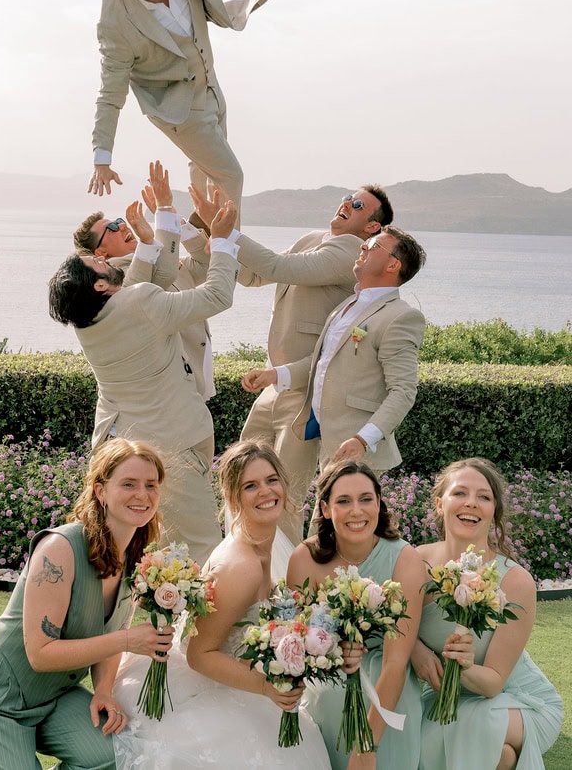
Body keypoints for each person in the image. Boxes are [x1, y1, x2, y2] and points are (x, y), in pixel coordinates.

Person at [191, 183, 394, 543]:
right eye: (348, 196)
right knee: (241, 474)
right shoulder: (311, 239)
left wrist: (227, 231)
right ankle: (237, 561)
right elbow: (255, 275)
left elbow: (275, 265)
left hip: (304, 391)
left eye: (359, 204)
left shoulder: (350, 250)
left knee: (284, 495)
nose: (347, 203)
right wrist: (204, 234)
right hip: (275, 386)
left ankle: (283, 584)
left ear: (371, 228)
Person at [112, 440, 332, 769]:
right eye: (250, 486)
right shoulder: (240, 565)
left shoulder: (263, 544)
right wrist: (266, 686)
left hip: (233, 676)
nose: (265, 491)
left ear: (284, 484)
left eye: (271, 480)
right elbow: (198, 654)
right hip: (207, 687)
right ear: (232, 497)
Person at [48, 199, 239, 567]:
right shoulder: (139, 303)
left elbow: (147, 280)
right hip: (171, 451)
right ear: (102, 284)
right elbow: (218, 295)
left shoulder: (88, 321)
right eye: (100, 263)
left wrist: (156, 230)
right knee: (205, 554)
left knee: (137, 558)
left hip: (117, 453)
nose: (106, 262)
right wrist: (224, 242)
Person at [0, 438, 174, 770]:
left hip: (56, 699)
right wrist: (128, 642)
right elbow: (40, 653)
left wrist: (104, 691)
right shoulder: (60, 548)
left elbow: (114, 627)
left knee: (116, 755)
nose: (143, 494)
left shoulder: (137, 557)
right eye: (129, 484)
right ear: (100, 491)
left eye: (151, 485)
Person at [89, 0, 268, 220]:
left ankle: (203, 248)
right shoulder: (115, 24)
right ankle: (230, 253)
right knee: (230, 175)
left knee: (205, 170)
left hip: (211, 84)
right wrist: (102, 158)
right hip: (178, 107)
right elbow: (110, 94)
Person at [243, 226, 426, 485]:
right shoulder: (347, 306)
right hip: (331, 445)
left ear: (393, 265)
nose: (362, 246)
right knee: (326, 523)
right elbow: (323, 364)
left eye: (373, 245)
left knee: (344, 524)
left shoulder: (401, 316)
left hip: (358, 453)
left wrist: (363, 439)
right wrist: (276, 374)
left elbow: (404, 391)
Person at [413, 457, 563, 770]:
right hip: (444, 700)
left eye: (484, 497)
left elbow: (494, 683)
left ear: (494, 512)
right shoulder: (415, 563)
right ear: (440, 504)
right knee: (501, 754)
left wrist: (461, 665)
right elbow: (395, 627)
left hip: (518, 702)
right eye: (460, 493)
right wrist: (415, 650)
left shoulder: (514, 580)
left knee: (478, 726)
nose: (472, 503)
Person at [287, 459, 426, 769]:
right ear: (325, 508)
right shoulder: (305, 560)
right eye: (344, 501)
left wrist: (366, 746)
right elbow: (299, 645)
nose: (357, 511)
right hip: (326, 679)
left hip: (387, 682)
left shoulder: (405, 560)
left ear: (379, 502)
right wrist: (334, 653)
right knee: (326, 698)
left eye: (366, 499)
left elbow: (396, 661)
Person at [75, 160, 215, 400]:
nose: (121, 226)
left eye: (119, 221)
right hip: (167, 388)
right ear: (100, 254)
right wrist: (163, 212)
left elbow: (204, 262)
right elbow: (154, 283)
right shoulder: (118, 282)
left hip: (196, 380)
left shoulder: (158, 255)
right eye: (111, 227)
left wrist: (173, 219)